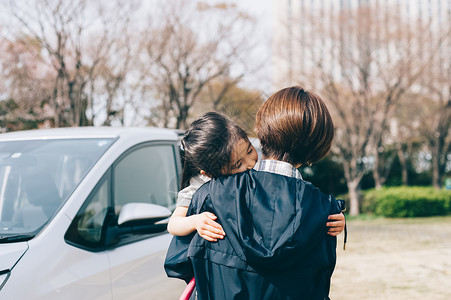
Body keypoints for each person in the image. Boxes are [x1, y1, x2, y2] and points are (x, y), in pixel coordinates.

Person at [165, 87, 346, 300]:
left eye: (250, 151)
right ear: (316, 151)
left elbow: (179, 264)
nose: (248, 162)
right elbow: (318, 286)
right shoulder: (323, 213)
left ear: (262, 131)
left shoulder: (209, 195)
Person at [167, 112, 345, 242]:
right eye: (238, 164)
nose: (250, 164)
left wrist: (328, 216)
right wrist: (195, 221)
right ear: (210, 173)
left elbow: (289, 200)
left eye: (250, 150)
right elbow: (173, 224)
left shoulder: (259, 173)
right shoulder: (200, 186)